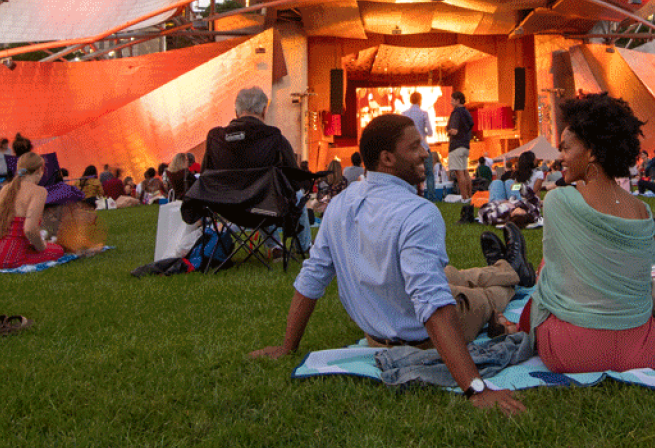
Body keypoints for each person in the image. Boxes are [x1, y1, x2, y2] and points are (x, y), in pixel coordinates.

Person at [249, 113, 528, 415]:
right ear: (387, 158)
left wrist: (288, 346)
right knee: (485, 297)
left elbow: (312, 278)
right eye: (414, 147)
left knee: (451, 274)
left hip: (377, 332)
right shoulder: (417, 213)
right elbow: (434, 306)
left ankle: (505, 266)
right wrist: (476, 389)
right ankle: (515, 275)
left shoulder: (341, 203)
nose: (425, 152)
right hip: (423, 338)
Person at [524, 93, 655, 374]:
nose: (560, 158)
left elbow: (550, 282)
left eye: (566, 148)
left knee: (542, 274)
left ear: (592, 152)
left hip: (574, 351)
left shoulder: (559, 201)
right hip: (643, 349)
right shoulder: (642, 211)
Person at [201, 87, 298, 173]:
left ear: (236, 113)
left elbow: (204, 176)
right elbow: (296, 181)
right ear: (264, 111)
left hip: (221, 193)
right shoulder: (274, 138)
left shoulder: (216, 140)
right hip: (265, 194)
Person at [445, 91, 476, 221]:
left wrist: (448, 131)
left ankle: (464, 197)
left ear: (458, 100)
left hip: (456, 145)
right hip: (465, 145)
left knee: (459, 173)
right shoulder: (467, 113)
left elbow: (455, 130)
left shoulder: (456, 113)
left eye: (452, 100)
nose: (451, 102)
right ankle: (470, 196)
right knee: (465, 172)